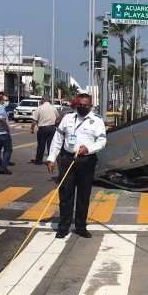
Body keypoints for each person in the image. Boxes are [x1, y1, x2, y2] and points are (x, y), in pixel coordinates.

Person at [47, 93, 106, 238]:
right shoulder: (67, 118)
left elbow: (102, 141)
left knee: (83, 196)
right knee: (65, 195)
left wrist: (88, 149)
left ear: (90, 106)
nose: (82, 107)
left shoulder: (96, 120)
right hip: (68, 159)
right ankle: (63, 227)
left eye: (85, 105)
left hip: (87, 161)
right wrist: (51, 158)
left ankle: (80, 226)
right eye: (79, 104)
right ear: (76, 104)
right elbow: (58, 139)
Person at [29, 95, 58, 165]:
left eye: (41, 99)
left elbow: (35, 120)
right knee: (51, 145)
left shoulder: (39, 108)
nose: (41, 101)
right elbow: (57, 119)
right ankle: (50, 161)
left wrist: (32, 128)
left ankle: (38, 160)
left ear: (44, 100)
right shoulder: (54, 108)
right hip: (52, 128)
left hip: (43, 129)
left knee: (41, 145)